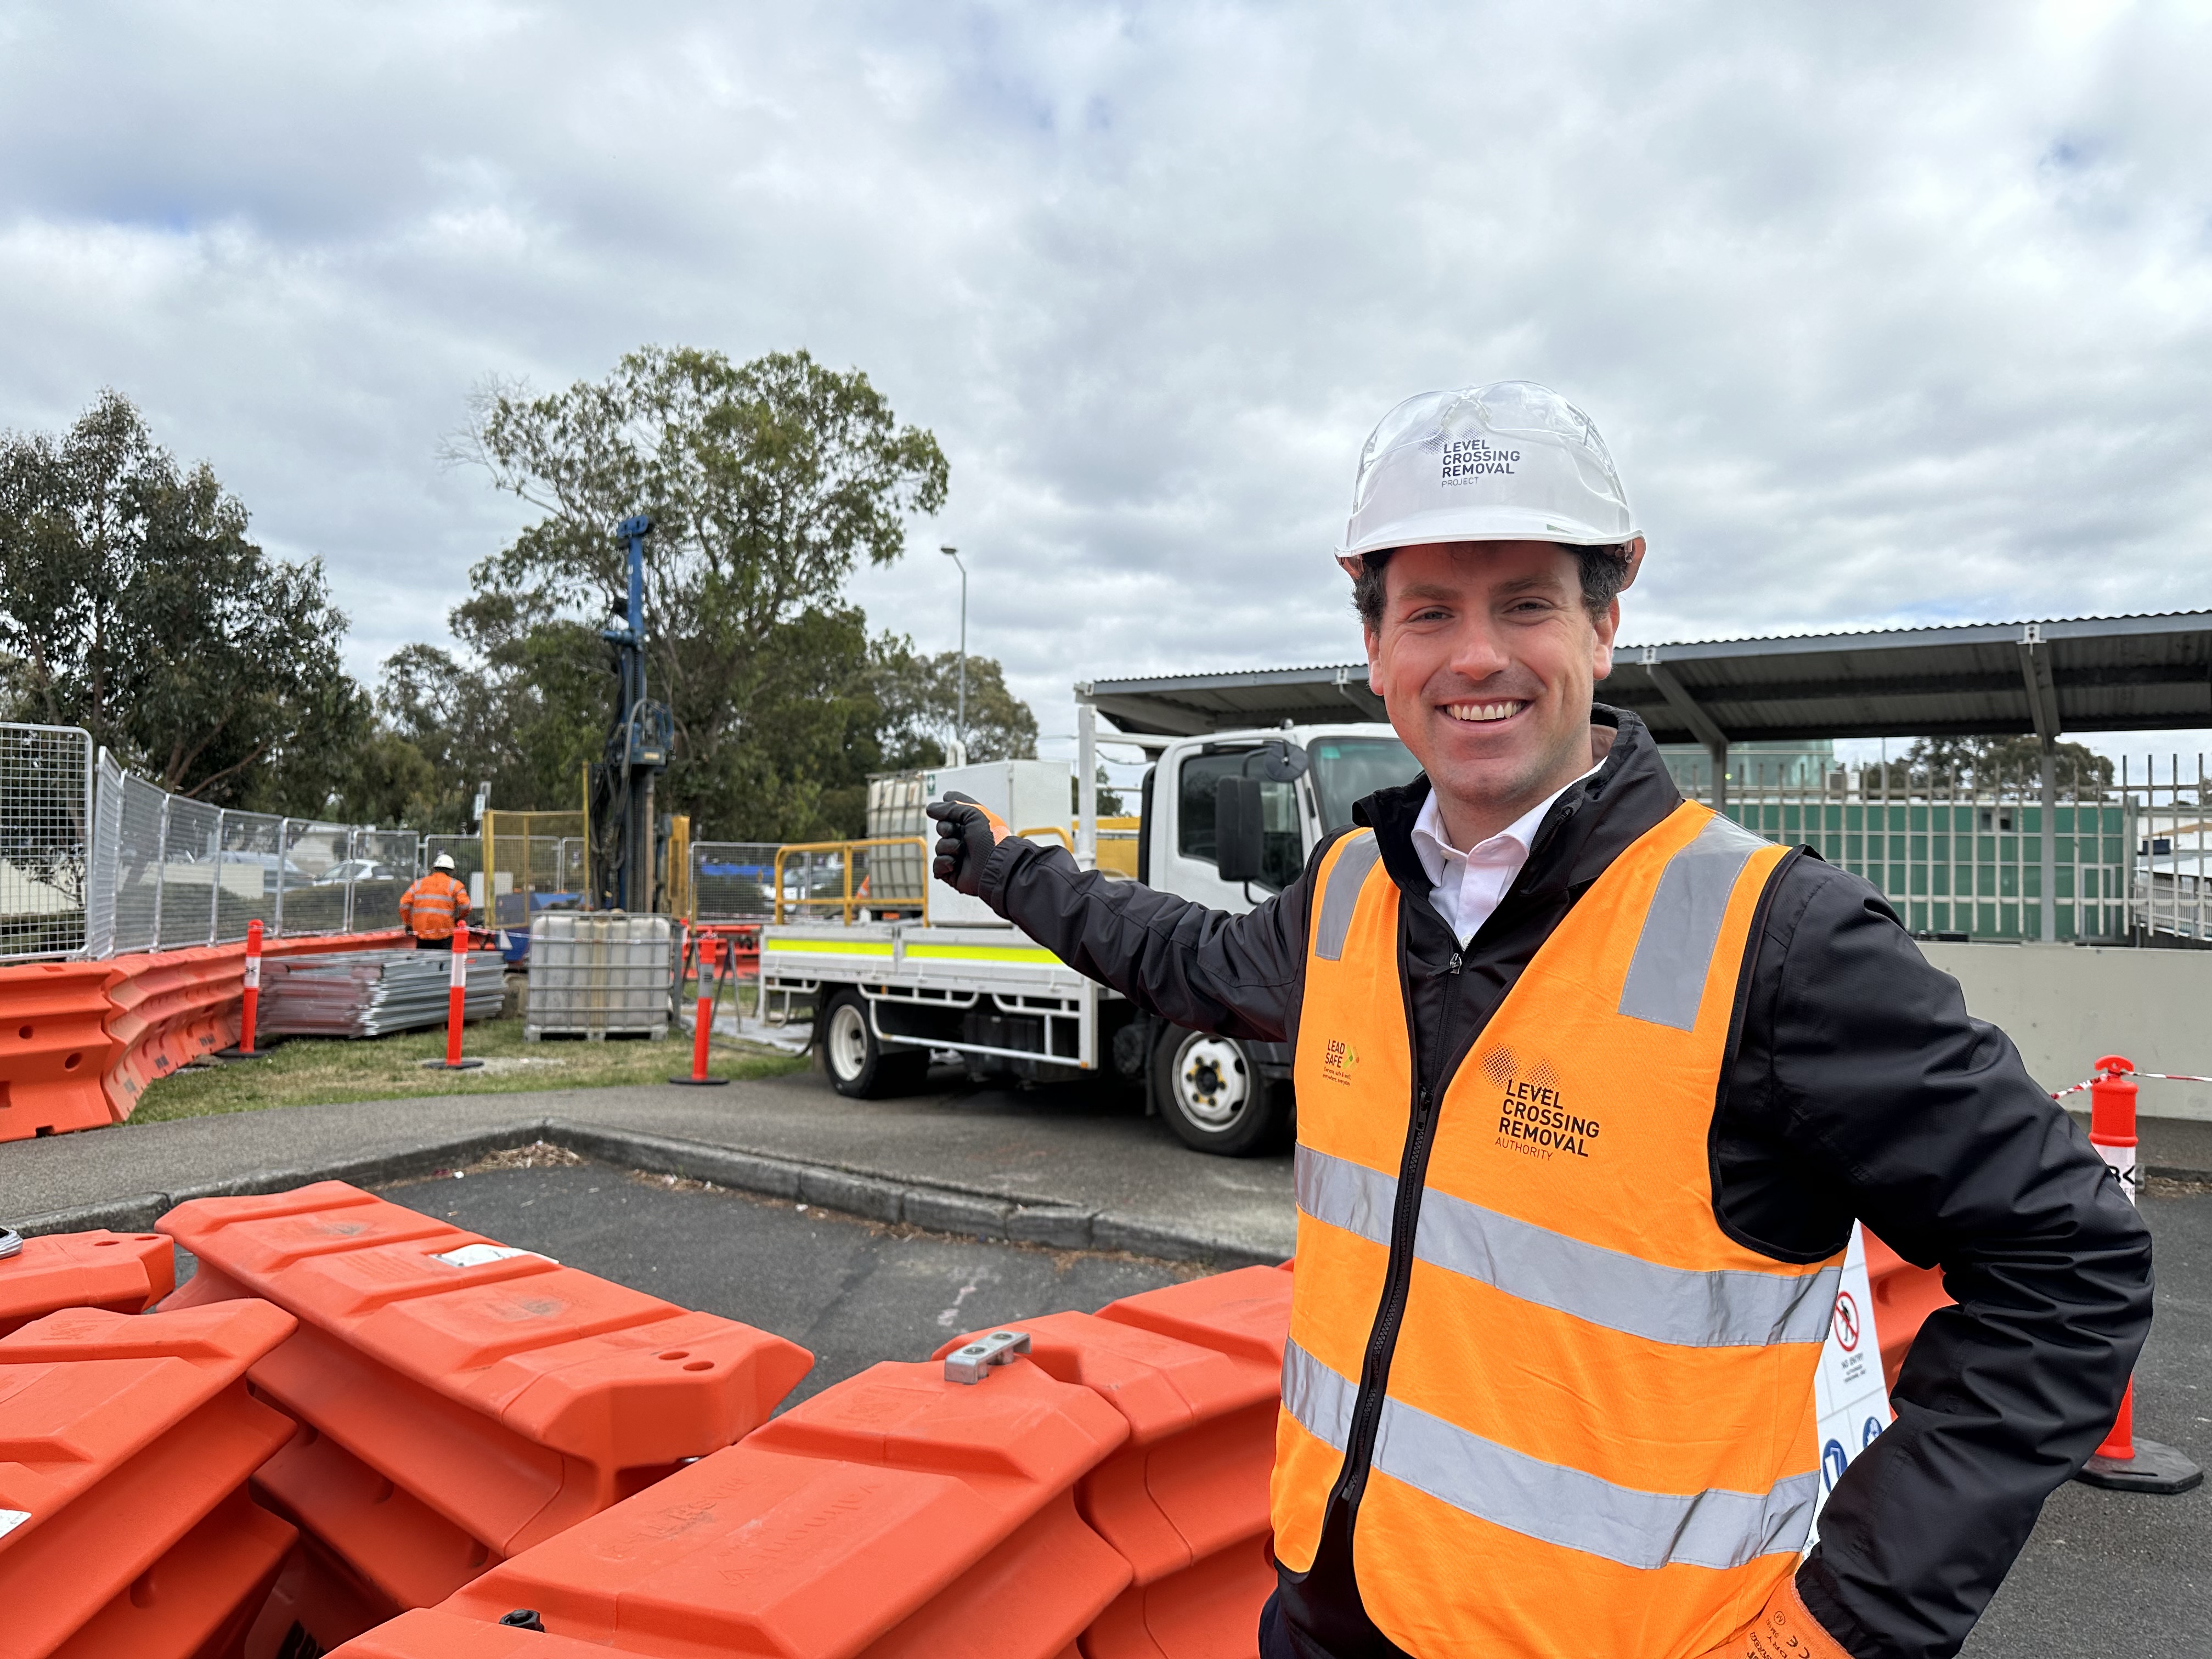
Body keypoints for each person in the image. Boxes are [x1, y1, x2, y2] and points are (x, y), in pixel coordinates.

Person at [927, 382, 2152, 1659]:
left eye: (1524, 603)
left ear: (1604, 624)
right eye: (1431, 612)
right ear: (1378, 650)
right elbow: (1178, 954)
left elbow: (2071, 1275)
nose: (1474, 655)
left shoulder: (1777, 941)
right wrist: (1006, 869)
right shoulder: (1352, 896)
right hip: (1327, 1607)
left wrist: (1835, 1631)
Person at [398, 851, 471, 951]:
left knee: (423, 963)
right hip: (445, 932)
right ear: (452, 871)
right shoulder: (456, 885)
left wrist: (409, 923)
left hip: (422, 932)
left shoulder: (419, 884)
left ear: (433, 869)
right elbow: (466, 906)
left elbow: (404, 904)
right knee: (443, 963)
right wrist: (458, 918)